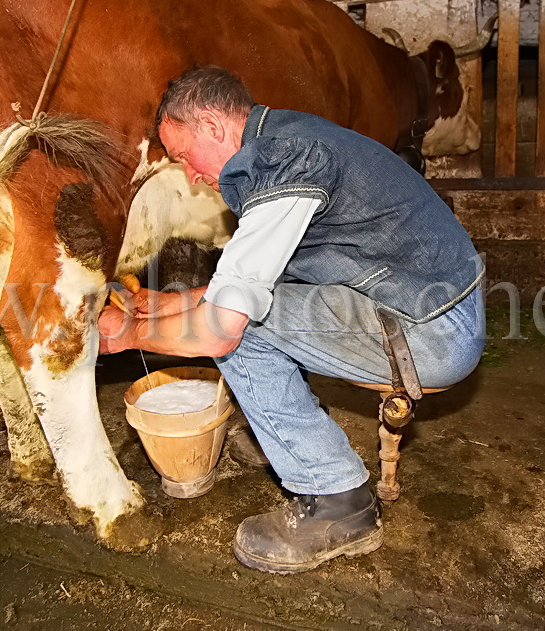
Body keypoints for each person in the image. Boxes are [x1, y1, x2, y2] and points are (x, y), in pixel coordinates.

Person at [98, 66, 485, 574]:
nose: (189, 175)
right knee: (239, 309)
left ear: (213, 126)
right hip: (431, 304)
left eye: (182, 156)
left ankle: (336, 502)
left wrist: (127, 334)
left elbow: (223, 325)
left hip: (431, 330)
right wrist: (175, 301)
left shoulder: (287, 160)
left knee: (239, 335)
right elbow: (264, 275)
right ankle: (285, 431)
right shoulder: (289, 137)